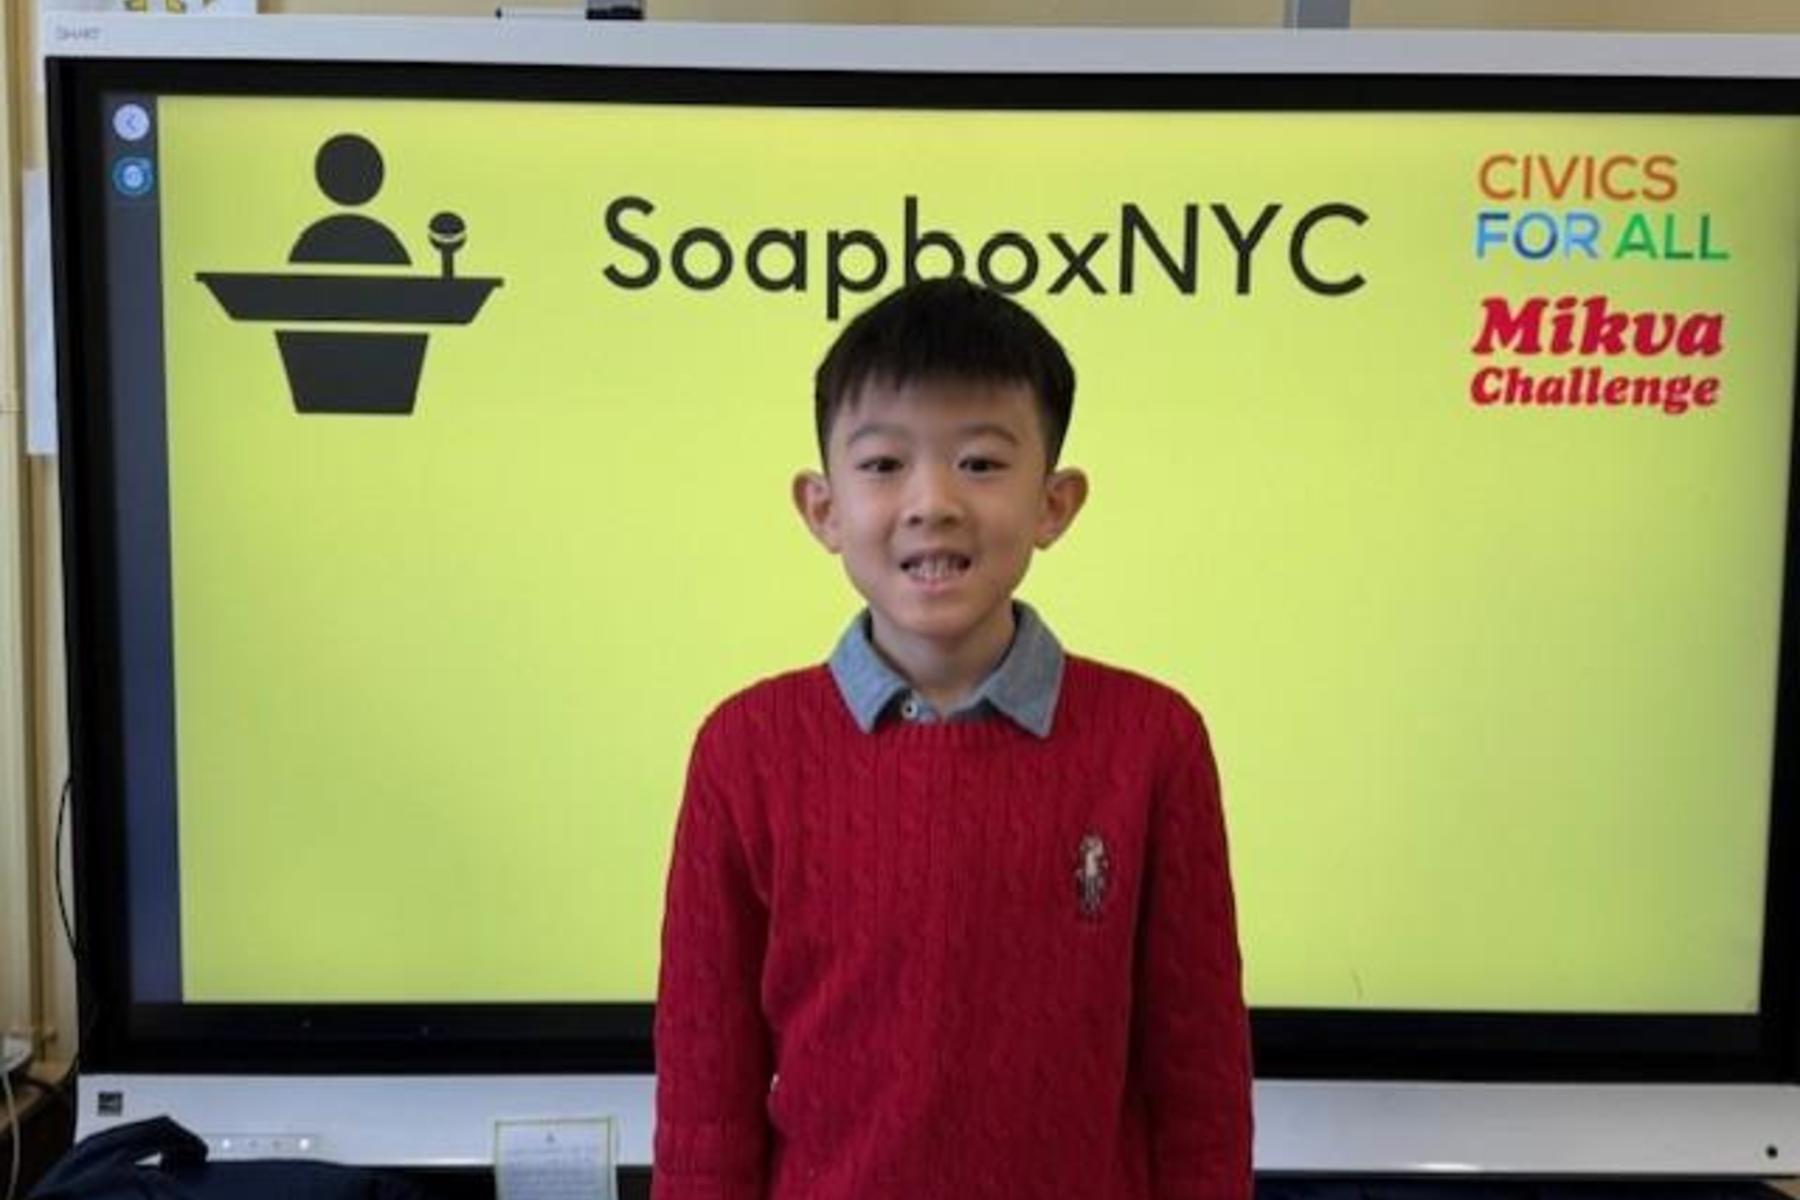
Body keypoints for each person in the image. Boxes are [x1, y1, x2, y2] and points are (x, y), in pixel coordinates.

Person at [652, 276, 1252, 1200]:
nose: (931, 502)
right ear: (822, 508)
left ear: (1055, 502)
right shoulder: (745, 750)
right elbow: (705, 1100)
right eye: (884, 465)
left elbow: (1199, 1085)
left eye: (979, 462)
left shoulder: (1153, 743)